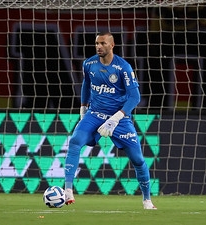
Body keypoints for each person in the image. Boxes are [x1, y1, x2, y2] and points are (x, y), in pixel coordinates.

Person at [64, 32, 157, 209]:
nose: (99, 46)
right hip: (95, 114)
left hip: (119, 119)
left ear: (112, 45)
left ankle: (147, 200)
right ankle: (68, 190)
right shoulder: (89, 64)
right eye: (97, 43)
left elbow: (135, 97)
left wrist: (116, 118)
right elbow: (86, 85)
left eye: (103, 43)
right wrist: (83, 107)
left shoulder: (123, 68)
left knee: (138, 160)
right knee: (75, 141)